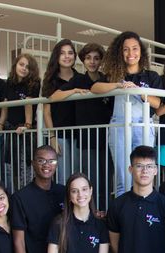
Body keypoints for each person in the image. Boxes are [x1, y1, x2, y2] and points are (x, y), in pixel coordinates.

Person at [92, 31, 162, 197]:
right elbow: (95, 88)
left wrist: (138, 91)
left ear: (141, 51)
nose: (131, 53)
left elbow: (158, 103)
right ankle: (122, 218)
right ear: (120, 52)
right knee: (123, 176)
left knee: (144, 173)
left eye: (135, 48)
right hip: (119, 126)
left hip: (143, 125)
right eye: (126, 49)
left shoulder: (151, 76)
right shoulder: (114, 75)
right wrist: (119, 85)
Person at [60, 42, 114, 205]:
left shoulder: (107, 80)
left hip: (106, 137)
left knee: (106, 177)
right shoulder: (78, 80)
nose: (92, 62)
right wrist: (74, 91)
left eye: (96, 58)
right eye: (88, 58)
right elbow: (53, 96)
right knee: (89, 178)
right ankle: (91, 210)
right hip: (86, 139)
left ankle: (104, 211)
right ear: (83, 60)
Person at [0, 53, 40, 190]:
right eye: (21, 64)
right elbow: (5, 106)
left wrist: (27, 125)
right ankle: (13, 195)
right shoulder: (9, 83)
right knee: (10, 165)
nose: (24, 68)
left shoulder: (34, 83)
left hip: (26, 130)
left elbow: (29, 104)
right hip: (11, 129)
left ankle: (28, 194)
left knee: (26, 165)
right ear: (15, 65)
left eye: (28, 67)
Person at [42, 39, 81, 170]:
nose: (67, 56)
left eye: (70, 53)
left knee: (78, 172)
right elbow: (46, 112)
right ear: (56, 56)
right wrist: (52, 136)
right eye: (62, 53)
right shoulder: (50, 80)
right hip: (60, 133)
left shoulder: (80, 78)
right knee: (63, 174)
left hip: (79, 133)